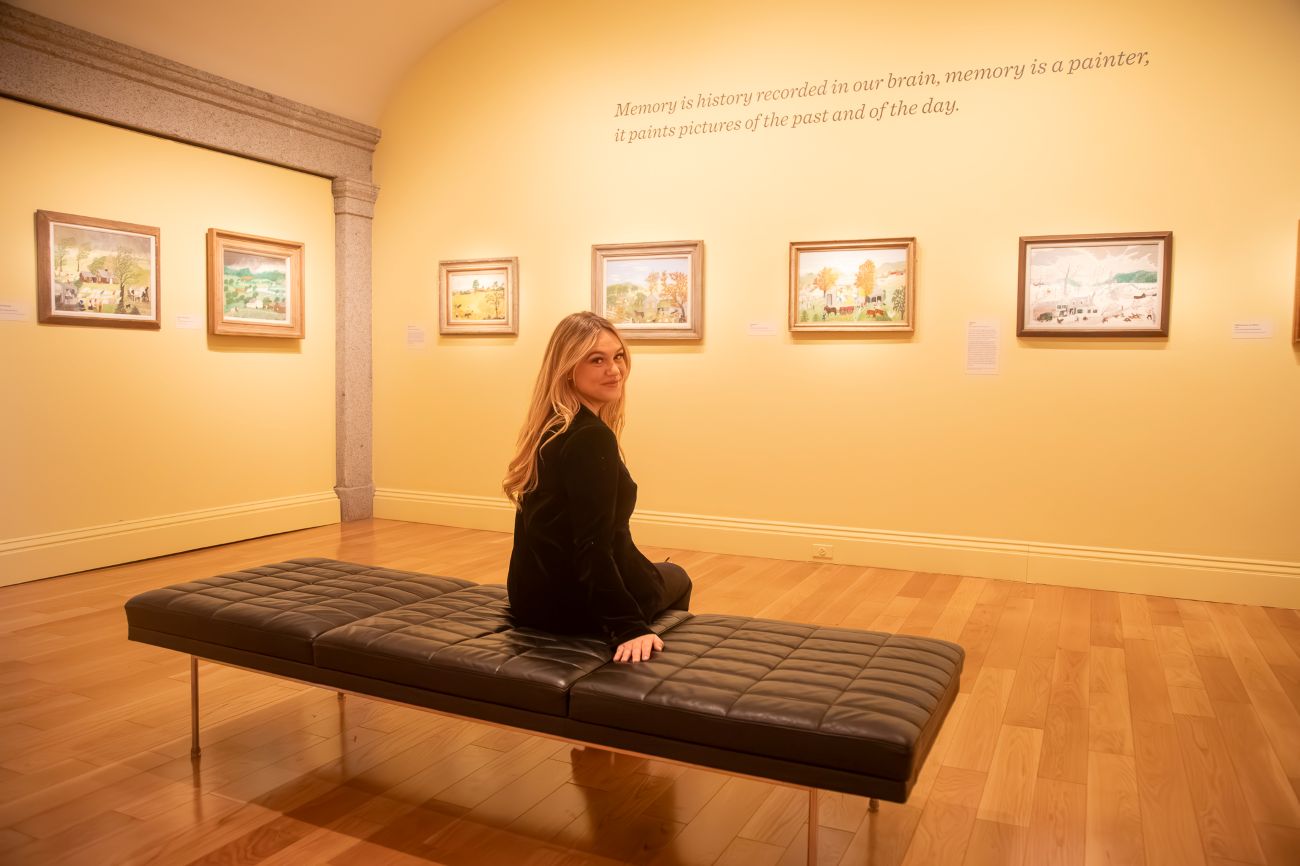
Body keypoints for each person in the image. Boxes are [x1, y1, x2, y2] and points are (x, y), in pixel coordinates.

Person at [503, 311, 692, 663]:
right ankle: (654, 677)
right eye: (597, 360)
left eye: (618, 356)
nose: (615, 369)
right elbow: (592, 546)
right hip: (578, 606)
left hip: (533, 601)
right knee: (678, 576)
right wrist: (629, 626)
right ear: (567, 369)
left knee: (651, 567)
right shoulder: (591, 437)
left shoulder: (550, 428)